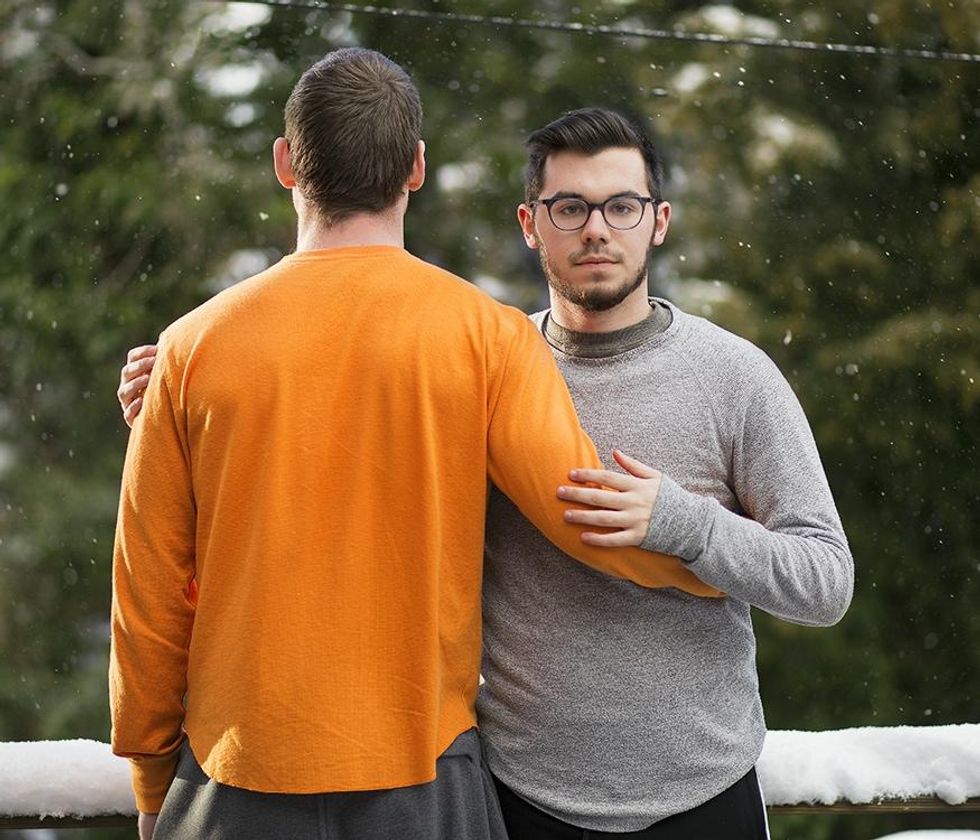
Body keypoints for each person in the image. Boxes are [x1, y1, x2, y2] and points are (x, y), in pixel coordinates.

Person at [109, 53, 719, 840]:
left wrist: (152, 779)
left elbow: (148, 595)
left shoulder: (191, 348)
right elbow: (587, 517)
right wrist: (718, 564)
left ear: (286, 163)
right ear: (416, 169)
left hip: (236, 779)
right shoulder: (486, 336)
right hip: (422, 778)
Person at [476, 108, 854, 839]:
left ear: (659, 221)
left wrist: (688, 525)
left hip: (705, 797)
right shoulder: (490, 375)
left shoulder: (734, 375)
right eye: (569, 207)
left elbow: (824, 582)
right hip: (522, 795)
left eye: (621, 206)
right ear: (530, 224)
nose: (596, 229)